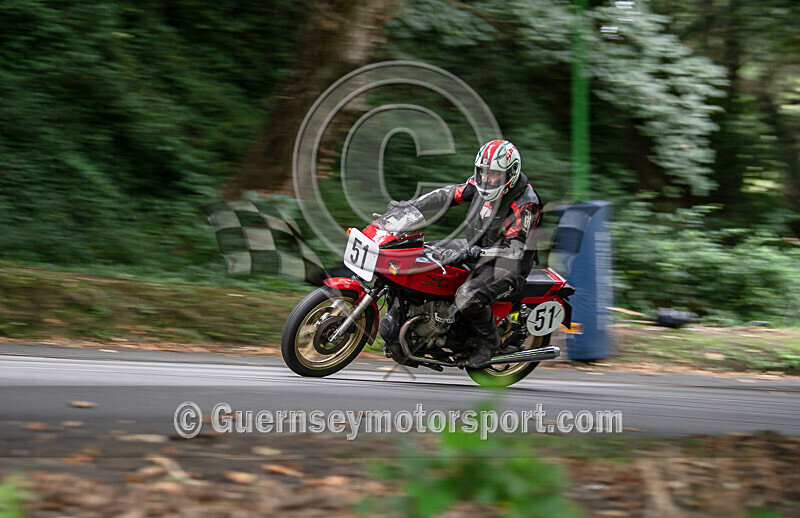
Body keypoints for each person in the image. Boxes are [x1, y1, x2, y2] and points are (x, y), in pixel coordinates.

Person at [388, 139, 542, 368]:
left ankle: (489, 343)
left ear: (511, 173)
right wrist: (411, 206)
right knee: (416, 257)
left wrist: (474, 251)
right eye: (483, 172)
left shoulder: (525, 204)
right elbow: (448, 194)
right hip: (474, 247)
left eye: (494, 175)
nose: (487, 179)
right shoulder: (480, 184)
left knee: (467, 295)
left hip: (506, 265)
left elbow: (514, 250)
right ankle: (406, 328)